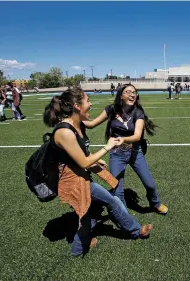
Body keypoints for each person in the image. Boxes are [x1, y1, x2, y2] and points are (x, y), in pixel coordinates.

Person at [43, 87, 153, 257]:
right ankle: (136, 230)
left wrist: (94, 158)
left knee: (88, 213)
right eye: (87, 100)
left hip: (80, 176)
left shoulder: (75, 126)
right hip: (72, 182)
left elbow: (78, 155)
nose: (91, 104)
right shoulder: (64, 132)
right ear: (77, 106)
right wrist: (106, 148)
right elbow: (83, 161)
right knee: (112, 202)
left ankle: (79, 247)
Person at [83, 84, 168, 215]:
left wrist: (124, 139)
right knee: (117, 188)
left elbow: (137, 136)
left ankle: (155, 202)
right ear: (121, 96)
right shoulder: (111, 109)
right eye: (128, 92)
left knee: (150, 184)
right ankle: (123, 213)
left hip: (135, 153)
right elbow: (92, 124)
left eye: (134, 92)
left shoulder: (138, 113)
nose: (132, 94)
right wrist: (72, 120)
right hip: (117, 154)